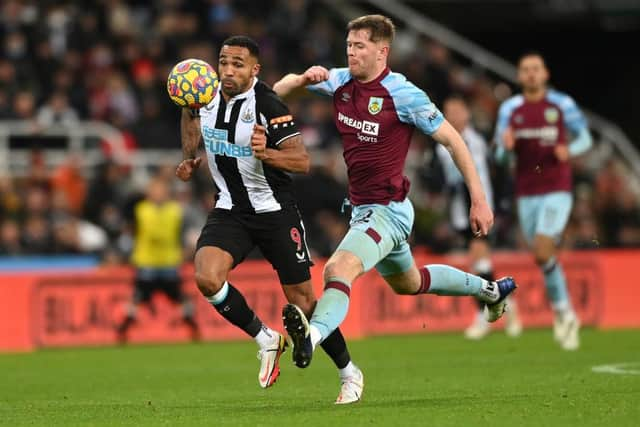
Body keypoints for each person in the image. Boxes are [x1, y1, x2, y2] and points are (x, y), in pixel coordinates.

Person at [273, 15, 517, 372]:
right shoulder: (340, 80)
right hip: (364, 209)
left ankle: (311, 337)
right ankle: (491, 291)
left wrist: (478, 199)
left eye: (359, 46)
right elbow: (277, 92)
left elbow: (454, 141)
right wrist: (302, 79)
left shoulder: (404, 94)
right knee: (410, 282)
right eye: (349, 46)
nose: (351, 53)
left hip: (387, 210)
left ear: (382, 51)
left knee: (338, 269)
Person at [176, 36, 362, 404]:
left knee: (306, 303)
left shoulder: (267, 104)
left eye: (238, 64)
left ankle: (349, 372)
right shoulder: (204, 94)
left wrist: (267, 154)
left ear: (254, 70)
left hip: (274, 211)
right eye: (224, 62)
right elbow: (189, 113)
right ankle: (266, 339)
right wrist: (189, 156)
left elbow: (303, 162)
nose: (228, 70)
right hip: (230, 209)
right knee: (206, 277)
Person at [494, 52, 592, 350]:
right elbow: (500, 155)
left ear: (545, 73)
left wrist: (569, 150)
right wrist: (506, 148)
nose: (531, 74)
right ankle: (566, 313)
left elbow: (585, 138)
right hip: (527, 192)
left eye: (536, 69)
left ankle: (563, 312)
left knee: (541, 248)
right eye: (526, 70)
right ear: (520, 76)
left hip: (557, 188)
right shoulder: (510, 109)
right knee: (543, 256)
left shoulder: (562, 104)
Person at [435, 95, 522, 340]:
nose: (452, 115)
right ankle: (508, 304)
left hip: (482, 209)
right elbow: (440, 178)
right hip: (459, 213)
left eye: (457, 110)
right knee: (479, 265)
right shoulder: (439, 142)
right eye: (448, 110)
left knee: (477, 260)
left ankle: (482, 316)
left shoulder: (479, 141)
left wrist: (503, 201)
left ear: (467, 114)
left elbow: (500, 169)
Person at [116, 177, 199, 341]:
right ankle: (123, 330)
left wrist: (186, 250)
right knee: (137, 299)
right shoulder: (140, 209)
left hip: (169, 263)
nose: (158, 194)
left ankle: (193, 329)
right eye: (154, 190)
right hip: (147, 263)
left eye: (161, 190)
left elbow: (186, 233)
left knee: (180, 298)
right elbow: (128, 227)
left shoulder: (176, 210)